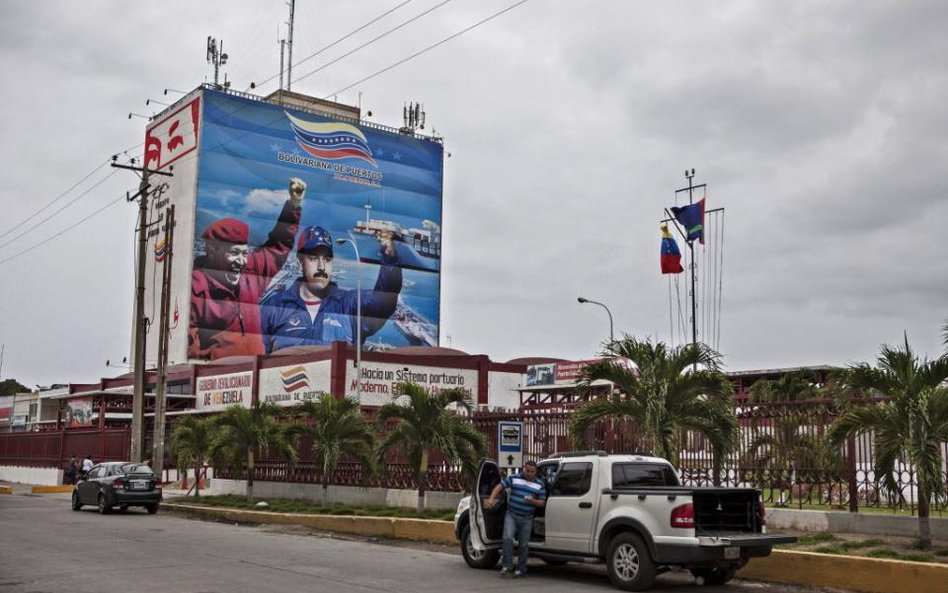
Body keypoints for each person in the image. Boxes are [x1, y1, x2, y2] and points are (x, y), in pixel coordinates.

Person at [188, 178, 306, 359]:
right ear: (212, 251)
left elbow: (278, 245)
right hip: (219, 381)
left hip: (257, 376)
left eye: (244, 253)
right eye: (234, 253)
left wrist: (293, 204)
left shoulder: (250, 276)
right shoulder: (196, 288)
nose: (241, 261)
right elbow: (188, 346)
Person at [259, 225, 402, 352]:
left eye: (327, 259)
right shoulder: (274, 307)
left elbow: (384, 300)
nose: (322, 267)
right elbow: (258, 361)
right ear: (300, 263)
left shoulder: (348, 304)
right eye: (314, 258)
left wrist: (390, 259)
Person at [485, 460, 547, 578]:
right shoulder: (514, 478)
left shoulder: (540, 484)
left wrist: (532, 501)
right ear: (524, 469)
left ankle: (521, 568)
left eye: (532, 472)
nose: (529, 473)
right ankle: (507, 566)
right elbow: (499, 486)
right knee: (507, 538)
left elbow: (542, 503)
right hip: (512, 515)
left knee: (523, 544)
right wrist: (491, 499)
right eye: (527, 471)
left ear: (535, 472)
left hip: (527, 518)